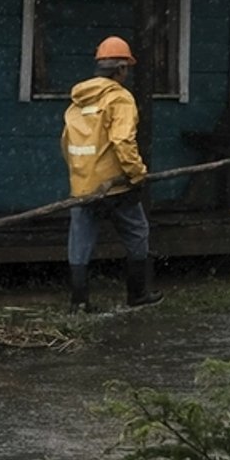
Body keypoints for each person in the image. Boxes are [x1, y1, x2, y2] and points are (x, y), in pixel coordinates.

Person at [60, 35, 162, 311]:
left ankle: (79, 302)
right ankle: (137, 294)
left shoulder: (78, 100)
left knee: (80, 242)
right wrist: (137, 173)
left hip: (82, 185)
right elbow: (122, 141)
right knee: (137, 231)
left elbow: (67, 144)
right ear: (120, 69)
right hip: (114, 185)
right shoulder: (120, 99)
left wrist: (81, 175)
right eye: (126, 67)